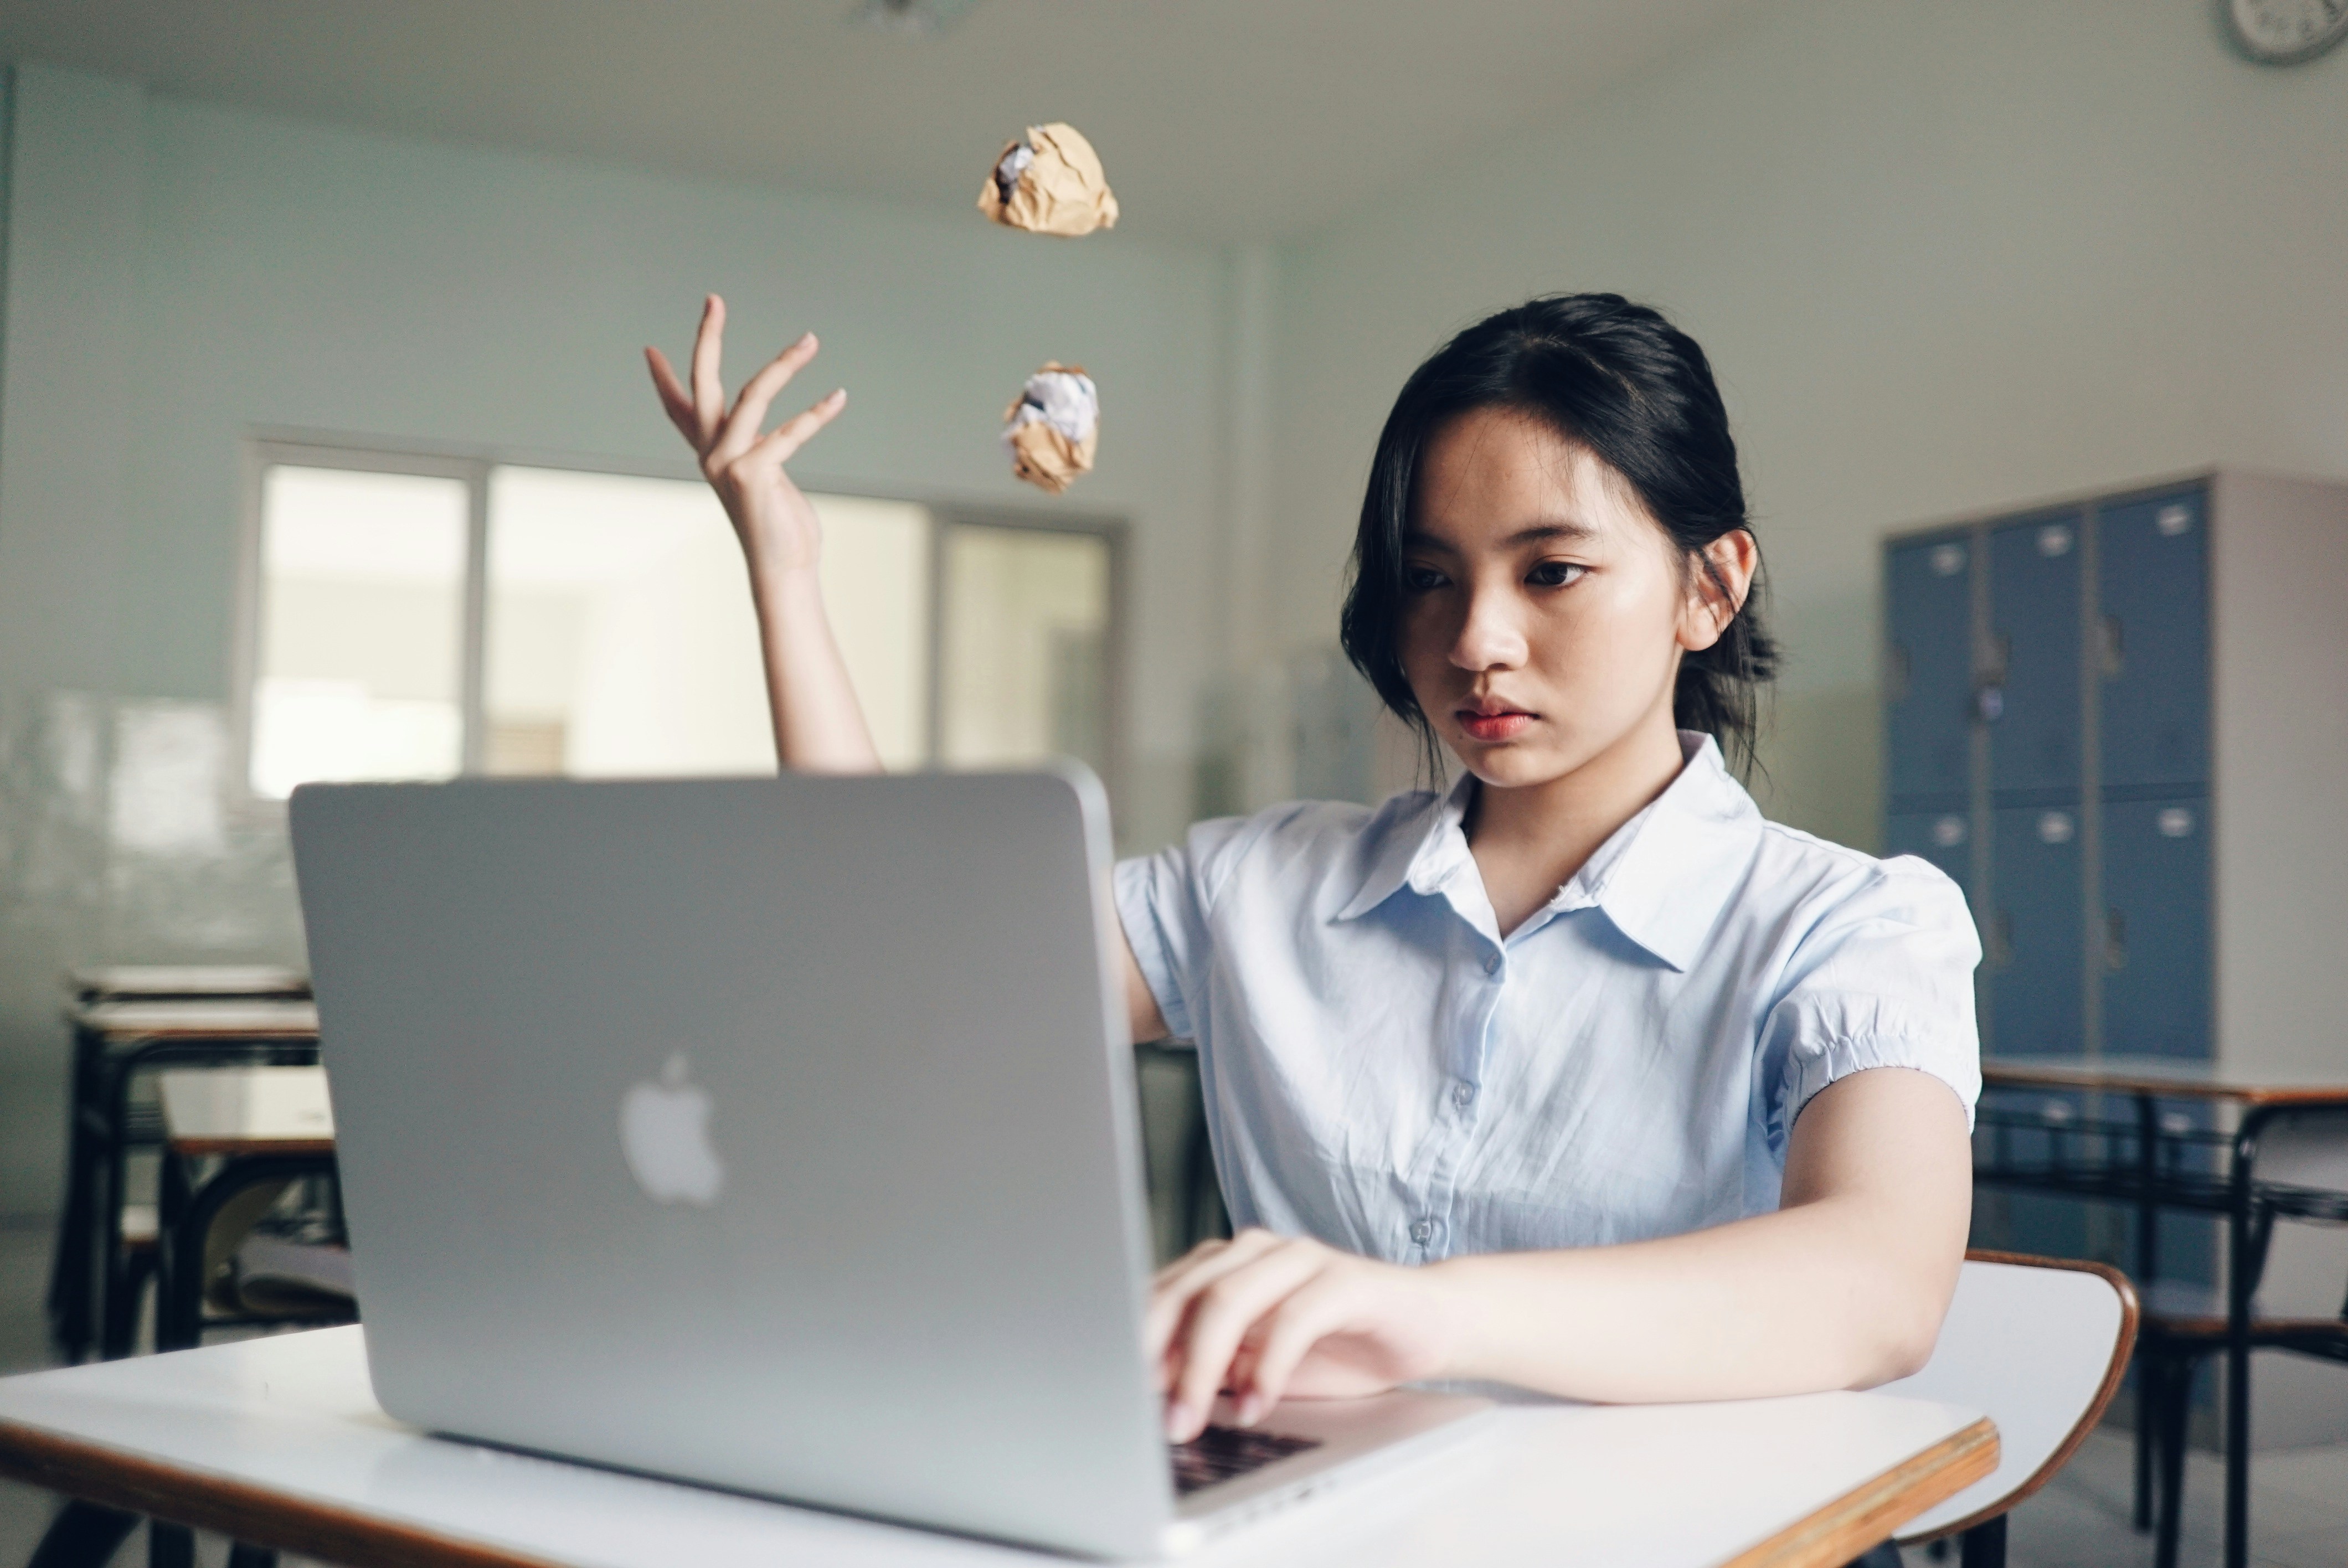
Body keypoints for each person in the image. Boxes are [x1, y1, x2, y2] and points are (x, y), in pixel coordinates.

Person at [646, 291, 1980, 1448]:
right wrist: (787, 573)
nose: (1476, 641)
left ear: (1709, 586)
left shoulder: (1853, 925)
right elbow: (901, 968)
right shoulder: (1258, 888)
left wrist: (1427, 1314)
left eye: (1553, 571)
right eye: (1427, 578)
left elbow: (1874, 1282)